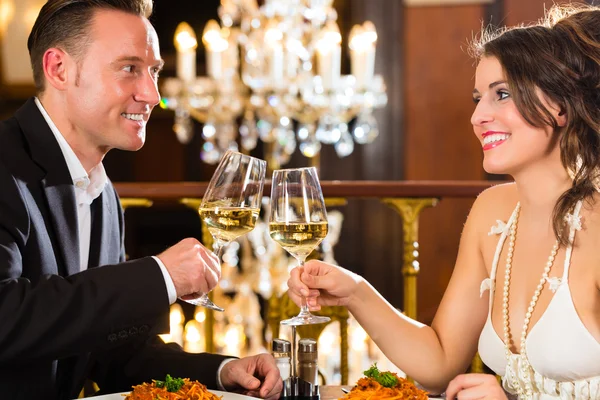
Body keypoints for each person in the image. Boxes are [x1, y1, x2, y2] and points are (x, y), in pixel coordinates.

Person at [287, 3, 600, 399]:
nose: (478, 116)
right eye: (478, 98)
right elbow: (438, 363)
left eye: (501, 94)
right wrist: (354, 292)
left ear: (560, 106)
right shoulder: (493, 213)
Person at [0, 1, 282, 399]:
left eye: (153, 71)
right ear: (58, 69)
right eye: (129, 68)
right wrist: (159, 276)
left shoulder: (103, 195)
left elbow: (114, 357)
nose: (152, 94)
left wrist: (221, 371)